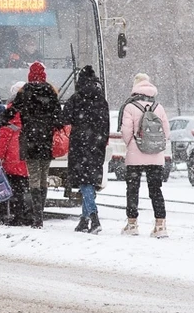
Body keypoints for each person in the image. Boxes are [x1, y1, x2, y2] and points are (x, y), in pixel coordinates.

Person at [119, 73, 172, 238]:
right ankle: (160, 225)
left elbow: (126, 130)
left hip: (135, 155)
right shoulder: (159, 107)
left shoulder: (130, 107)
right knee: (156, 190)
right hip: (156, 155)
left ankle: (132, 223)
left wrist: (131, 145)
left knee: (133, 189)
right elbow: (167, 133)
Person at [62, 66, 109, 234]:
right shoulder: (101, 100)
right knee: (89, 181)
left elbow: (64, 119)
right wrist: (101, 142)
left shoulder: (76, 98)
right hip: (97, 145)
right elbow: (106, 125)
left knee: (85, 182)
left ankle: (94, 218)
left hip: (80, 145)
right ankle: (84, 220)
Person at [16, 61, 62, 229]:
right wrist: (49, 124)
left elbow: (13, 110)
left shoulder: (25, 91)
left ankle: (37, 218)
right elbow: (59, 119)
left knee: (33, 178)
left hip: (30, 141)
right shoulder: (51, 92)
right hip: (45, 142)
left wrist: (0, 121)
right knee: (43, 177)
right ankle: (40, 212)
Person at [0, 104, 29, 226]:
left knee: (14, 190)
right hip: (26, 160)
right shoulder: (28, 121)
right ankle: (27, 214)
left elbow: (2, 143)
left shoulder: (8, 124)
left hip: (12, 160)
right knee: (25, 188)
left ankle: (16, 215)